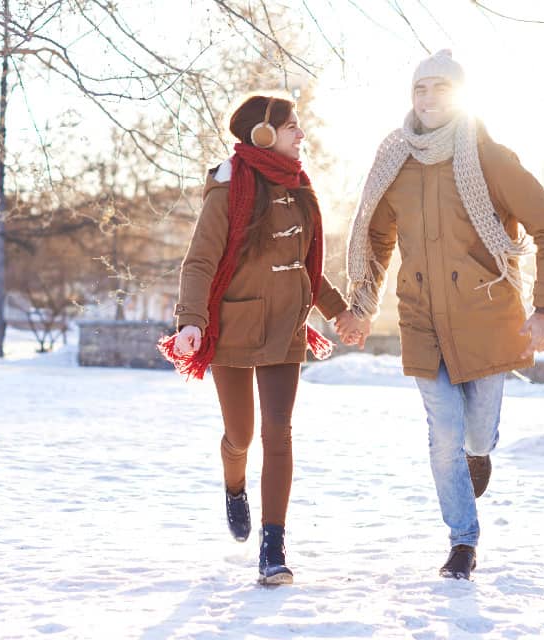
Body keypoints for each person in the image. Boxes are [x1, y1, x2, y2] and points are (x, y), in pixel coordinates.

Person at [335, 50, 544, 580]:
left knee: (476, 432)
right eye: (420, 89)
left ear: (460, 94)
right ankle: (463, 540)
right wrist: (361, 304)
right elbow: (374, 238)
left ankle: (480, 452)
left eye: (441, 87)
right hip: (421, 319)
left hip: (487, 318)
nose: (429, 97)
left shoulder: (492, 159)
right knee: (442, 432)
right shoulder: (396, 162)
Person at [159, 93, 360, 585]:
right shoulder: (228, 190)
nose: (301, 135)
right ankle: (234, 486)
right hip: (232, 326)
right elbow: (201, 262)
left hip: (286, 327)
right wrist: (191, 320)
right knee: (242, 436)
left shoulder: (302, 189)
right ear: (264, 134)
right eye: (293, 127)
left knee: (279, 432)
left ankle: (273, 545)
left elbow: (309, 268)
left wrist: (340, 312)